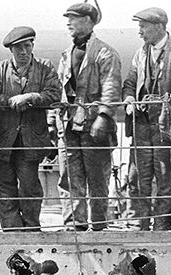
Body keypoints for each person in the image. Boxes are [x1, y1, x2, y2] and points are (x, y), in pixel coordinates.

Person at [0, 26, 58, 231]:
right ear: (11, 50)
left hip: (30, 140)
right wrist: (9, 101)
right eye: (18, 48)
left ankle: (32, 228)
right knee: (3, 187)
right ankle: (12, 230)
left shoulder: (45, 68)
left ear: (32, 45)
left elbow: (54, 95)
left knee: (30, 186)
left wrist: (31, 97)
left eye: (27, 46)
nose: (23, 52)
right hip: (2, 140)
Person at [122, 7, 171, 231]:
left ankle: (162, 227)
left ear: (160, 27)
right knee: (136, 177)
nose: (139, 32)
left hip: (167, 126)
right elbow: (130, 82)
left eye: (143, 27)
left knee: (164, 178)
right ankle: (139, 225)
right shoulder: (141, 53)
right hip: (142, 125)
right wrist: (130, 98)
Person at [55, 2, 122, 231]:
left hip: (95, 127)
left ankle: (99, 226)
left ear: (89, 21)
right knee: (69, 177)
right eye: (68, 18)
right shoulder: (67, 54)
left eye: (73, 18)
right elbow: (60, 89)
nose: (68, 22)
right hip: (69, 126)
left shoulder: (104, 53)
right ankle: (75, 225)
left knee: (97, 179)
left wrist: (103, 116)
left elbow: (111, 87)